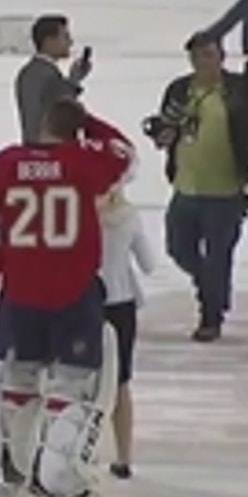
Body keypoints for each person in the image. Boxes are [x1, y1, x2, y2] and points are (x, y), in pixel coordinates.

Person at [0, 99, 133, 497]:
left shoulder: (3, 165)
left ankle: (11, 458)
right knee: (72, 384)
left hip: (20, 288)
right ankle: (58, 475)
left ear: (41, 123)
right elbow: (124, 154)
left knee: (19, 375)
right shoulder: (83, 162)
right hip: (72, 289)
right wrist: (87, 121)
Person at [152, 34, 248, 342]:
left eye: (208, 55)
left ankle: (211, 316)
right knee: (179, 248)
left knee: (218, 255)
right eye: (196, 57)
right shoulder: (179, 90)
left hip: (225, 190)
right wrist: (163, 136)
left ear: (222, 56)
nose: (202, 63)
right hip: (186, 186)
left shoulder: (243, 92)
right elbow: (166, 127)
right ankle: (210, 285)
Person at [98, 183, 154, 480]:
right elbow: (149, 263)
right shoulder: (128, 217)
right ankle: (123, 456)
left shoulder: (77, 215)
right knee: (120, 382)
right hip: (121, 304)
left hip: (83, 302)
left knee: (76, 379)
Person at [14, 15, 92, 144]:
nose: (70, 43)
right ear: (49, 41)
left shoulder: (32, 72)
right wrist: (73, 80)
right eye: (65, 37)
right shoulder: (43, 74)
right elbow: (63, 110)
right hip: (48, 150)